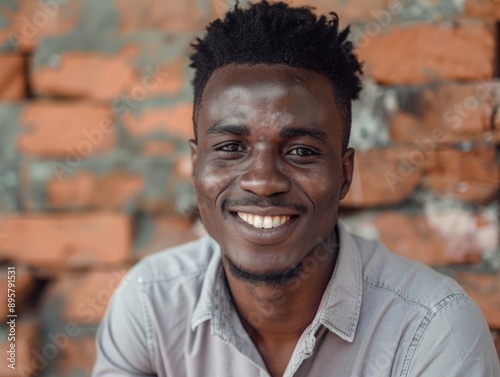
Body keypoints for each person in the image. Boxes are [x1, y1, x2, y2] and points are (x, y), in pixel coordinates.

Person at [92, 1, 500, 376]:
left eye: (302, 151)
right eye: (232, 148)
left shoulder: (432, 330)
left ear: (344, 173)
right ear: (197, 164)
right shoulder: (150, 307)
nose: (263, 181)